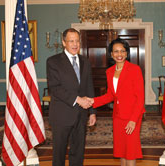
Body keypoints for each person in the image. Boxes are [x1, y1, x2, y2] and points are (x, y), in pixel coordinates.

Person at [88, 38, 145, 166]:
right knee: (121, 150)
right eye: (116, 51)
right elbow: (110, 96)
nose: (119, 54)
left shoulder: (135, 69)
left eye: (122, 51)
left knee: (130, 151)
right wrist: (92, 101)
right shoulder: (109, 72)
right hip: (118, 116)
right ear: (111, 54)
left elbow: (140, 98)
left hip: (132, 116)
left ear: (126, 53)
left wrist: (133, 120)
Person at [46, 28, 96, 166]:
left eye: (77, 41)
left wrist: (92, 112)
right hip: (62, 115)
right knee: (59, 154)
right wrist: (78, 100)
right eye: (71, 41)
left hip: (81, 115)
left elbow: (89, 87)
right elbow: (55, 88)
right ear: (64, 42)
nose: (75, 44)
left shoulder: (85, 61)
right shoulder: (53, 61)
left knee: (78, 152)